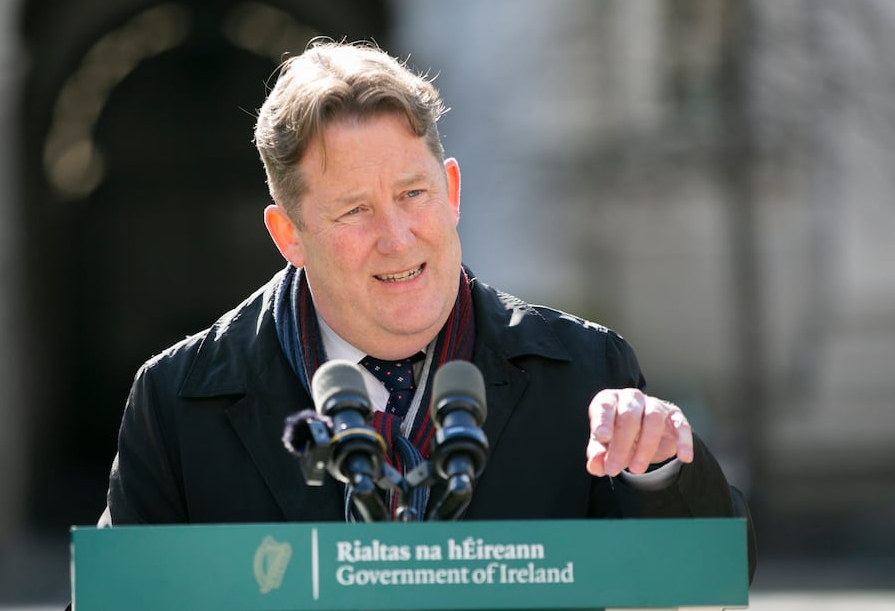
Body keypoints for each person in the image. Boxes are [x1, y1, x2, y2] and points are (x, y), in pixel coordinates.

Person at [99, 39, 754, 573]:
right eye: (354, 210)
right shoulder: (177, 402)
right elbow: (116, 597)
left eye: (413, 194)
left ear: (452, 190)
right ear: (288, 235)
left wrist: (658, 468)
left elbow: (710, 575)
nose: (397, 237)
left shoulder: (583, 372)